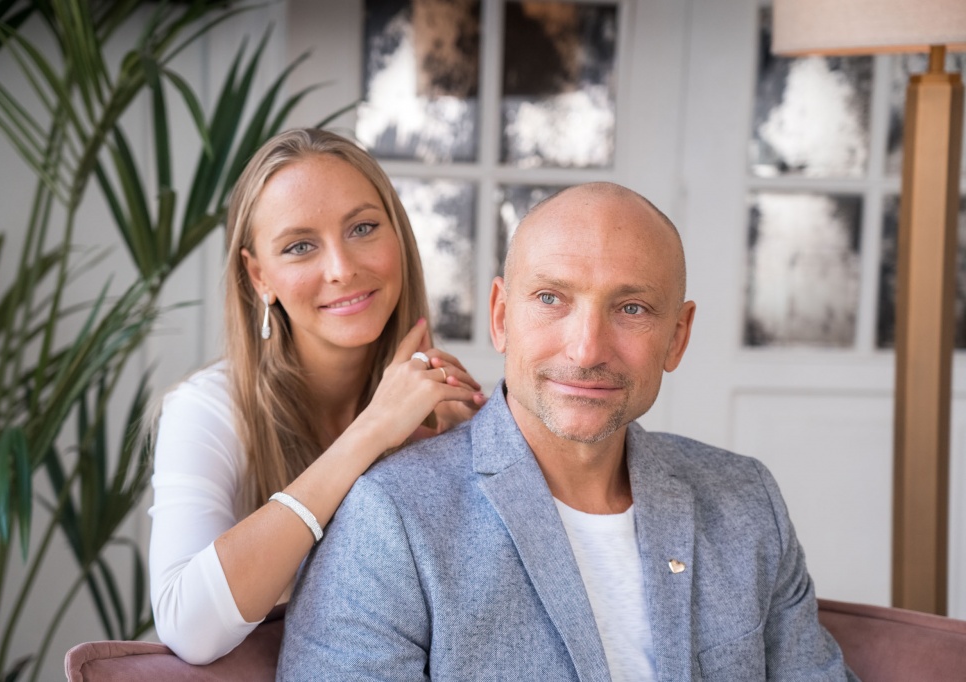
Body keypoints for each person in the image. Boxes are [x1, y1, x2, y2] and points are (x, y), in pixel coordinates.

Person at [279, 182, 855, 680]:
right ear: (502, 316)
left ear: (677, 337)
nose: (586, 350)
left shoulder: (746, 500)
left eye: (631, 308)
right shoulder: (389, 517)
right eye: (551, 299)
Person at [146, 128, 486, 665]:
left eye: (363, 228)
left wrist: (456, 459)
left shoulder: (445, 407)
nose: (342, 268)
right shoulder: (208, 409)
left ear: (399, 236)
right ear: (258, 275)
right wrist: (371, 432)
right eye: (300, 246)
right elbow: (188, 627)